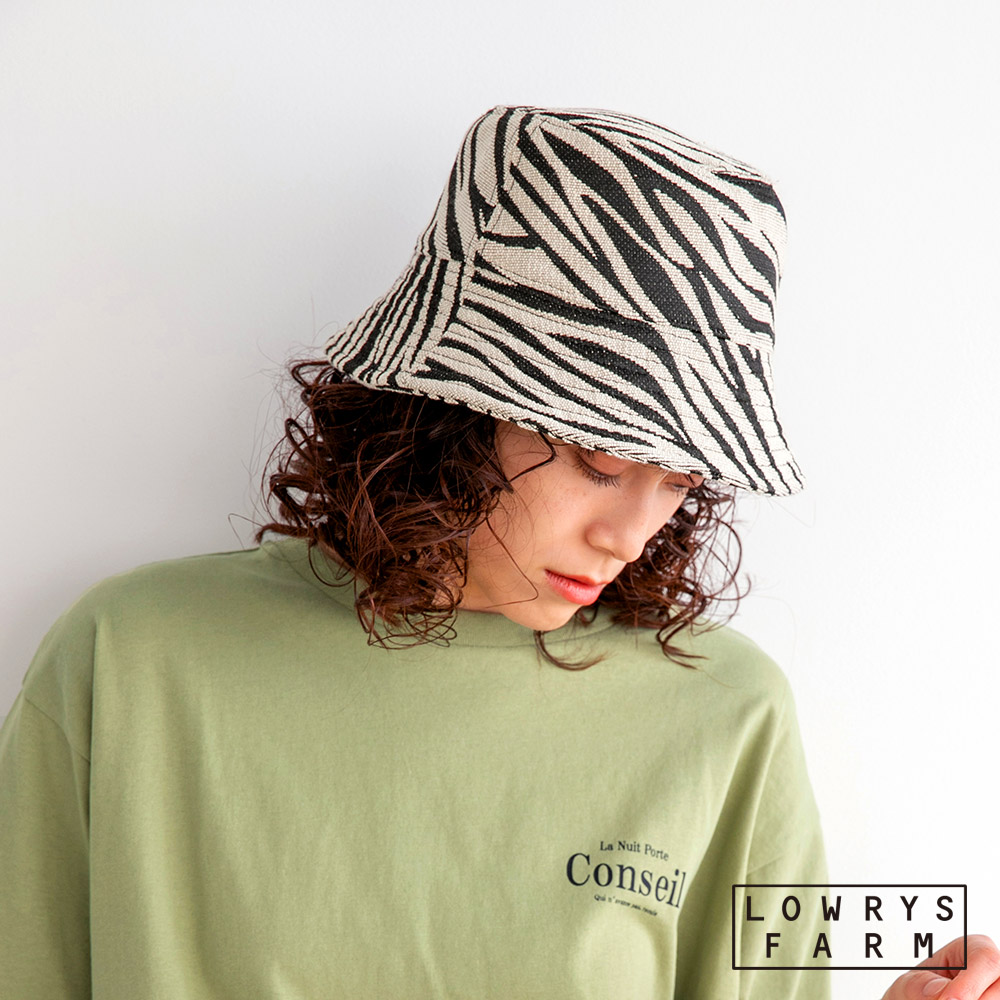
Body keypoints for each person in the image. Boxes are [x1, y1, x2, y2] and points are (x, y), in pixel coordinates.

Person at [0, 104, 995, 999]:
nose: (629, 535)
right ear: (447, 417)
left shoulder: (728, 712)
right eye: (600, 465)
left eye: (679, 485)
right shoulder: (132, 657)